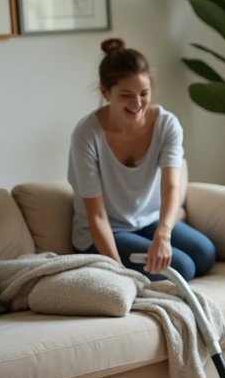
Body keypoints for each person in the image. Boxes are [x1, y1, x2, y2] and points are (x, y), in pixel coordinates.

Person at [68, 38, 215, 280]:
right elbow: (96, 215)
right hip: (106, 231)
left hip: (148, 222)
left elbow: (170, 188)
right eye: (126, 95)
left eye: (144, 94)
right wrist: (117, 272)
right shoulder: (86, 135)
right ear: (105, 92)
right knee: (183, 267)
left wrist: (163, 234)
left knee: (205, 254)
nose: (137, 104)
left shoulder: (167, 125)